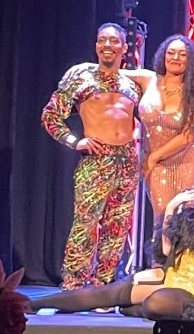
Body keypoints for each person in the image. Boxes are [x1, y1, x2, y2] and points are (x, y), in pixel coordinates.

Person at [29, 141, 194, 318]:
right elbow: (168, 252)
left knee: (157, 303)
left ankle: (134, 308)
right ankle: (30, 304)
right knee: (106, 293)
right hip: (171, 279)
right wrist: (170, 209)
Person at [40, 22, 140, 288]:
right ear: (96, 46)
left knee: (117, 228)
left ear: (124, 47)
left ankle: (104, 286)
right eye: (102, 40)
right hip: (96, 161)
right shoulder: (81, 80)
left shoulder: (131, 85)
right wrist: (75, 141)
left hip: (127, 162)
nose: (108, 45)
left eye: (114, 41)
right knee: (85, 224)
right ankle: (73, 284)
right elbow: (50, 116)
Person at [122, 34, 194, 253]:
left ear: (190, 60)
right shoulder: (148, 79)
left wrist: (154, 156)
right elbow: (112, 70)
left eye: (182, 54)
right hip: (156, 165)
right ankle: (159, 268)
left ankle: (181, 270)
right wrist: (86, 66)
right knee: (160, 215)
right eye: (171, 52)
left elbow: (189, 135)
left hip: (184, 161)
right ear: (163, 55)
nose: (176, 58)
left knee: (182, 215)